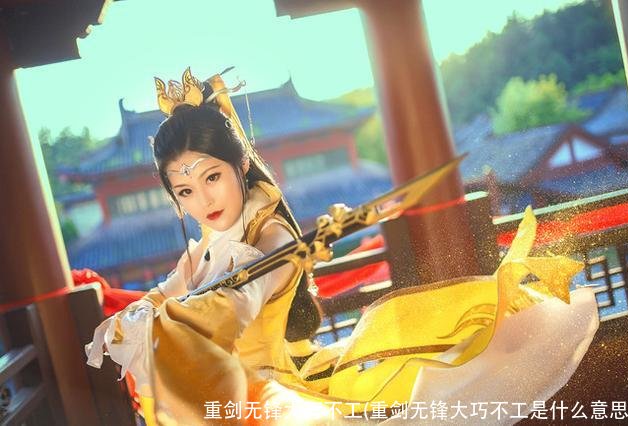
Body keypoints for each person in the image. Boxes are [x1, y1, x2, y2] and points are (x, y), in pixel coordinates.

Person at [87, 68, 599, 425]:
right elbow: (156, 300)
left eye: (212, 177)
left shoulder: (271, 237)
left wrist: (168, 319)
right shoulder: (200, 251)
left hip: (273, 405)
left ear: (240, 164)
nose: (203, 200)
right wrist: (139, 318)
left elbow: (235, 306)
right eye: (184, 191)